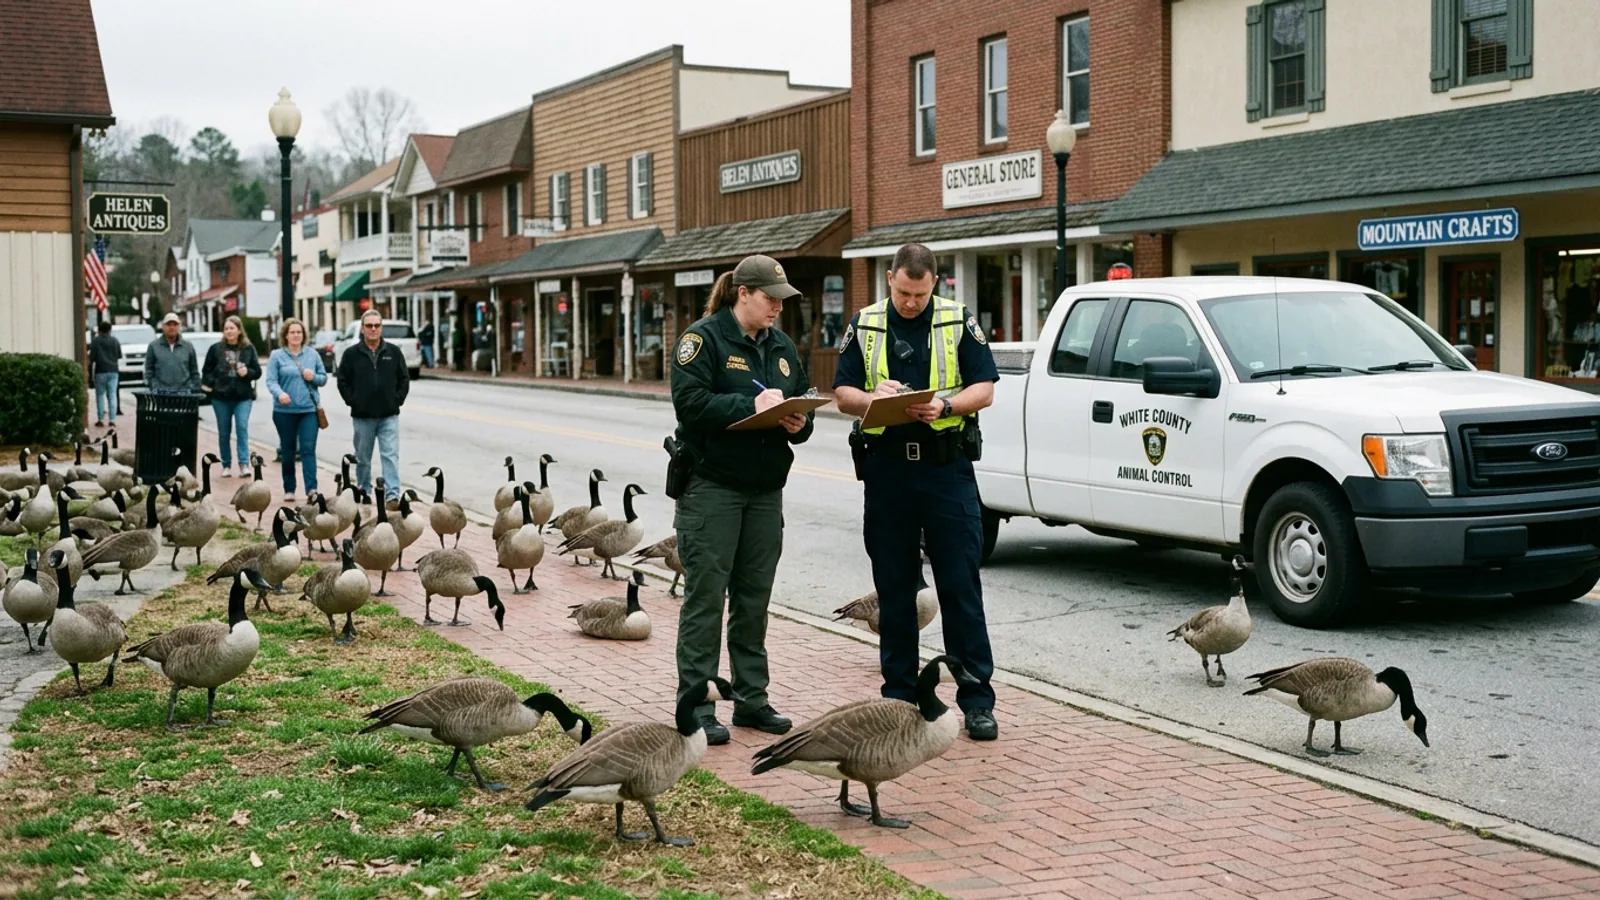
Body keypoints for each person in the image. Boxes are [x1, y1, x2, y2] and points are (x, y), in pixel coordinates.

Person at [831, 242, 1001, 741]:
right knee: (896, 590)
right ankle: (901, 698)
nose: (910, 303)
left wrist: (946, 405)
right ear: (890, 280)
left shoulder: (956, 319)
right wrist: (872, 398)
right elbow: (842, 394)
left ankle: (976, 701)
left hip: (946, 471)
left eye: (920, 294)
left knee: (959, 589)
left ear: (935, 285)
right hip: (888, 473)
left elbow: (985, 386)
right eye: (904, 293)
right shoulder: (864, 325)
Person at [669, 254, 814, 746]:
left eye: (782, 301)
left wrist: (799, 421)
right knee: (707, 599)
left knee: (754, 600)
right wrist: (748, 405)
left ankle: (752, 699)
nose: (778, 308)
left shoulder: (781, 346)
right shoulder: (702, 339)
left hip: (765, 491)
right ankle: (698, 704)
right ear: (743, 294)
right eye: (771, 299)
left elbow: (799, 402)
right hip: (713, 487)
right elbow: (689, 405)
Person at [337, 308, 410, 509]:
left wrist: (397, 400)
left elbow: (404, 379)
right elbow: (342, 380)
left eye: (377, 325)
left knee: (390, 455)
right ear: (362, 328)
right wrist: (353, 400)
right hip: (363, 416)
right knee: (363, 458)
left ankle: (392, 495)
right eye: (369, 326)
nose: (373, 329)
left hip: (389, 415)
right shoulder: (352, 354)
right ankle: (364, 489)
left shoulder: (393, 352)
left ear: (381, 328)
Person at [264, 317, 327, 503]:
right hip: (284, 411)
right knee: (288, 450)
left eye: (299, 332)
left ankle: (311, 489)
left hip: (308, 410)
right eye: (292, 332)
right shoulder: (277, 356)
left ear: (303, 335)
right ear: (285, 335)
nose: (296, 335)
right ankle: (289, 488)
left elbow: (323, 378)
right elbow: (271, 381)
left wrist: (313, 376)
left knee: (308, 449)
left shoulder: (312, 355)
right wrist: (279, 394)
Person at [201, 315, 262, 478]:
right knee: (224, 431)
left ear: (239, 330)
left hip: (243, 396)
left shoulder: (248, 349)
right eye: (226, 328)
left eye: (232, 328)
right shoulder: (216, 349)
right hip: (221, 397)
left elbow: (257, 371)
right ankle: (226, 464)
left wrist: (247, 372)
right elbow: (206, 370)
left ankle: (244, 464)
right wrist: (214, 383)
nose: (229, 331)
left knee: (242, 427)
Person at [145, 312, 200, 394]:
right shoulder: (153, 346)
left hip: (184, 394)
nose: (172, 327)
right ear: (163, 326)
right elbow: (149, 371)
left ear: (179, 327)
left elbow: (194, 371)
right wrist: (155, 386)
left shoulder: (188, 346)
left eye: (175, 324)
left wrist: (192, 387)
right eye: (168, 324)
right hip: (161, 394)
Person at [89, 321, 121, 427]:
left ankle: (101, 419)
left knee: (100, 395)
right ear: (110, 330)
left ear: (99, 330)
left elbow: (92, 357)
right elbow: (119, 355)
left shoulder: (96, 341)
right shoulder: (115, 341)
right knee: (112, 395)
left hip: (100, 370)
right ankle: (112, 419)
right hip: (113, 370)